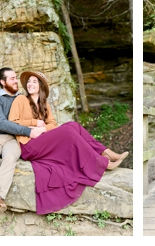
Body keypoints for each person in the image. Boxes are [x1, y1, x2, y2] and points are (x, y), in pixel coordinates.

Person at [8, 71, 128, 215]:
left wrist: (42, 128)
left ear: (40, 86)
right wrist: (34, 123)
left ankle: (106, 152)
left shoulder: (43, 103)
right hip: (28, 145)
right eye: (29, 81)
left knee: (73, 125)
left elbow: (52, 124)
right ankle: (103, 163)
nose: (30, 84)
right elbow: (12, 122)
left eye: (35, 81)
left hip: (41, 141)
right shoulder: (20, 100)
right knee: (68, 133)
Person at [0, 68, 46, 219]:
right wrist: (29, 131)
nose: (16, 81)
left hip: (14, 138)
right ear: (3, 82)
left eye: (16, 78)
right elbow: (2, 124)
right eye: (12, 79)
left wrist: (36, 124)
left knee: (11, 158)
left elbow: (33, 117)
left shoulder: (22, 99)